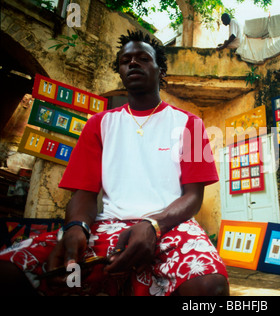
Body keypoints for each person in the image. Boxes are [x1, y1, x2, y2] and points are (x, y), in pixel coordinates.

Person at [0, 30, 229, 296]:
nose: (133, 63)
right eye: (125, 59)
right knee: (9, 269)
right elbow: (83, 194)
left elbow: (193, 197)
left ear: (160, 70)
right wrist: (76, 226)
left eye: (143, 58)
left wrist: (153, 224)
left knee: (209, 287)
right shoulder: (98, 125)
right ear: (120, 70)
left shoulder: (191, 124)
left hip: (172, 227)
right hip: (108, 226)